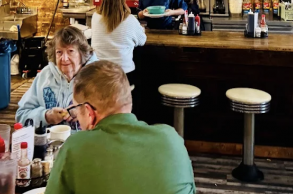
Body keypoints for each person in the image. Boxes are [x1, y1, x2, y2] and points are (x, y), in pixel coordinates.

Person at [46, 61, 196, 194]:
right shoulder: (172, 139)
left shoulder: (75, 147)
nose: (77, 117)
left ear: (89, 112)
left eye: (77, 109)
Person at [16, 26, 97, 130]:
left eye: (70, 51)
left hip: (84, 140)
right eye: (59, 52)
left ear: (82, 53)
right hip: (48, 139)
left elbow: (110, 119)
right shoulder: (45, 76)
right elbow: (21, 115)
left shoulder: (96, 77)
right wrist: (46, 116)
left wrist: (85, 114)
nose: (64, 58)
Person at [92, 0, 146, 85]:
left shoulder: (95, 17)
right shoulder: (130, 19)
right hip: (124, 74)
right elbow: (142, 41)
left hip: (99, 73)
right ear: (123, 0)